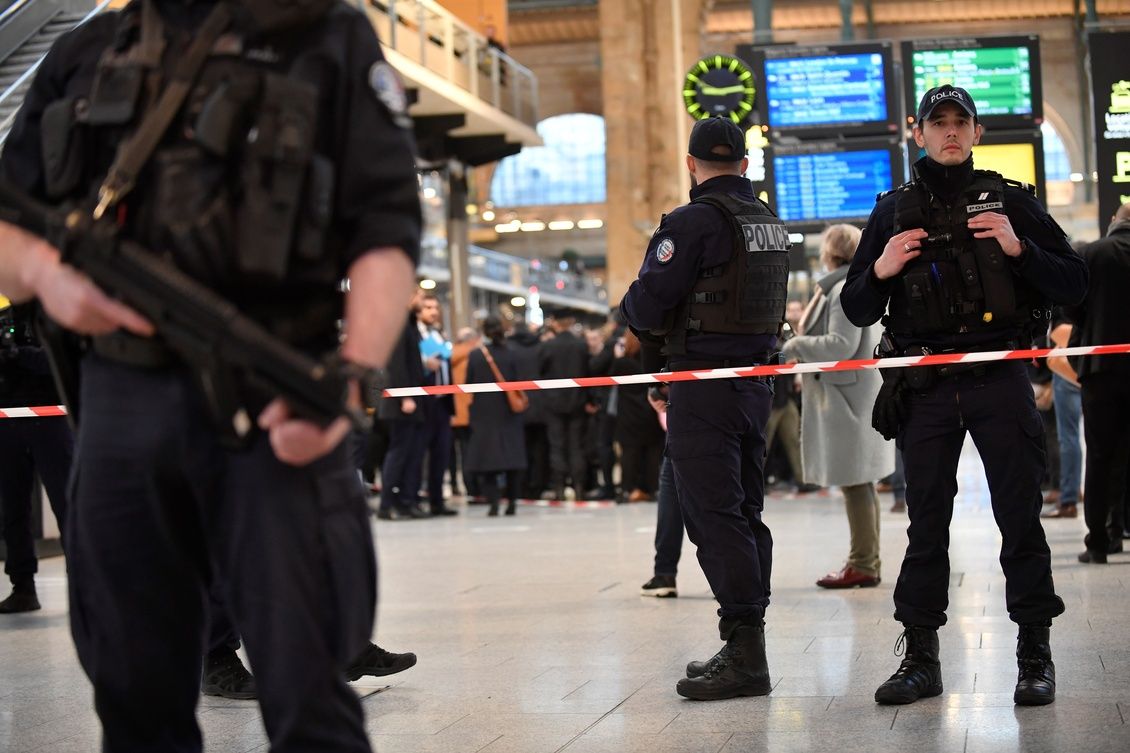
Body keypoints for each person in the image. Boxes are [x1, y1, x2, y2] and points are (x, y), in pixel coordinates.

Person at [0, 1, 421, 750]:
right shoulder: (86, 52)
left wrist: (352, 376)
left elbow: (385, 228)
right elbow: (10, 217)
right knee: (135, 700)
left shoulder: (325, 34)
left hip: (278, 396)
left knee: (312, 696)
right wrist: (45, 275)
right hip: (122, 405)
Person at [841, 85, 1087, 708]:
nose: (950, 131)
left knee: (1019, 519)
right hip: (925, 387)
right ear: (918, 133)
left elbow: (1074, 282)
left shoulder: (1012, 202)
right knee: (926, 525)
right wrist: (881, 268)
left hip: (998, 380)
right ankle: (921, 659)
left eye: (960, 121)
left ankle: (1034, 655)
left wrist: (1018, 248)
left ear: (977, 133)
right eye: (938, 122)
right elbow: (856, 305)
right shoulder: (892, 211)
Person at [621, 116, 790, 701]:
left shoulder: (689, 223)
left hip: (704, 388)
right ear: (744, 164)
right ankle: (748, 640)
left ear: (691, 165)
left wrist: (635, 305)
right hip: (755, 386)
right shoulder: (768, 222)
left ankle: (745, 654)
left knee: (713, 515)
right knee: (745, 510)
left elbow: (646, 306)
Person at [782, 224, 891, 589]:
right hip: (851, 396)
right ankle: (867, 559)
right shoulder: (847, 285)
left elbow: (840, 345)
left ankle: (863, 563)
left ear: (829, 253)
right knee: (860, 482)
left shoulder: (842, 289)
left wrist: (795, 346)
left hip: (846, 401)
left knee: (855, 482)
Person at [1065, 201, 1130, 563]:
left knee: (1101, 455)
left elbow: (1071, 306)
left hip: (1101, 370)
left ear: (1114, 221)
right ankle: (1119, 528)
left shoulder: (1094, 253)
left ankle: (1099, 542)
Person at [0, 302, 73, 613]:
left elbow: (62, 362)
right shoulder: (5, 313)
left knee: (67, 505)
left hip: (51, 418)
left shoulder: (51, 310)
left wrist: (19, 354)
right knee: (12, 509)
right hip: (7, 419)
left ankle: (83, 586)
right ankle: (23, 587)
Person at [464, 317, 527, 516]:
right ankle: (512, 502)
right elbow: (520, 380)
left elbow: (468, 383)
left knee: (488, 460)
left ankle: (493, 503)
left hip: (484, 413)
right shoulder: (513, 353)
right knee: (512, 459)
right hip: (509, 412)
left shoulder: (476, 355)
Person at [377, 291, 431, 520]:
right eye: (419, 296)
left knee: (412, 453)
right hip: (402, 401)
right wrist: (405, 396)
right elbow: (396, 364)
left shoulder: (408, 323)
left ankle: (406, 502)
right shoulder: (397, 323)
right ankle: (386, 504)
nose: (422, 301)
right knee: (398, 453)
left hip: (412, 398)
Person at [538, 310, 594, 500]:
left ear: (555, 323)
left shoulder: (548, 346)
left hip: (553, 402)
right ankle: (579, 487)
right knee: (577, 445)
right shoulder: (581, 345)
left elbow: (540, 370)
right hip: (577, 400)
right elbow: (588, 372)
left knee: (557, 445)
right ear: (571, 322)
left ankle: (559, 488)